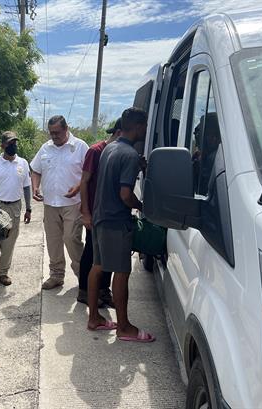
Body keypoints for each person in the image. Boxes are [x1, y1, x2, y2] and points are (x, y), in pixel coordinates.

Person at [86, 107, 155, 343]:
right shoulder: (130, 154)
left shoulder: (110, 148)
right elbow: (125, 194)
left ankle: (94, 317)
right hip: (116, 221)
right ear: (138, 126)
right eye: (144, 126)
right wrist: (143, 206)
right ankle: (124, 327)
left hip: (100, 217)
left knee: (98, 266)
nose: (146, 130)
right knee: (122, 272)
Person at [30, 115, 89, 290]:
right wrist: (35, 187)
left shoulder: (80, 147)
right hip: (50, 205)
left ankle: (83, 275)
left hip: (73, 203)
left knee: (71, 239)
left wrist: (78, 187)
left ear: (66, 129)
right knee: (53, 241)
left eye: (57, 132)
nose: (53, 136)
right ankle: (56, 275)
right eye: (51, 133)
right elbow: (36, 170)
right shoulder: (45, 148)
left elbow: (89, 174)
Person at [77, 118, 122, 306]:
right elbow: (84, 182)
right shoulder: (95, 151)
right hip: (95, 212)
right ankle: (84, 291)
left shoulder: (118, 153)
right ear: (119, 133)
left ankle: (103, 290)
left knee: (108, 253)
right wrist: (86, 213)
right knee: (92, 251)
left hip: (112, 213)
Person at [0, 131, 32, 287]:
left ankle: (3, 273)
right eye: (10, 143)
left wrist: (29, 208)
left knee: (9, 242)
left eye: (15, 143)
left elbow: (26, 187)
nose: (13, 146)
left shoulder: (23, 163)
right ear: (2, 145)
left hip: (15, 207)